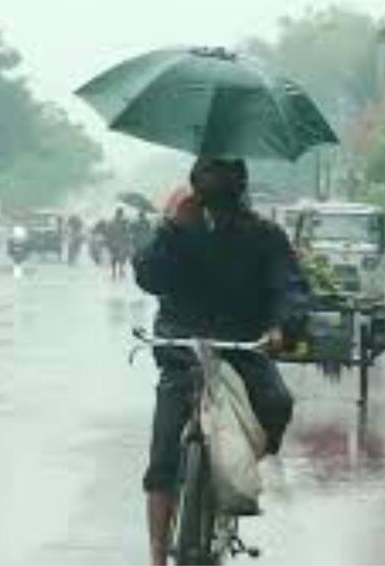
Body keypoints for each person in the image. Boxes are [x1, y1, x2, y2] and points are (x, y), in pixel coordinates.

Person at [133, 157, 294, 565]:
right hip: (181, 347)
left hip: (243, 350)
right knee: (163, 456)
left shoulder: (266, 235)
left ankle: (234, 472)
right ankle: (155, 554)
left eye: (223, 175)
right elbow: (148, 276)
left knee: (277, 403)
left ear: (240, 183)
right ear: (193, 184)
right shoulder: (178, 231)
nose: (214, 184)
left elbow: (289, 288)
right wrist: (171, 228)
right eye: (206, 175)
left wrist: (281, 327)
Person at [107, 207, 131, 280]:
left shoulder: (112, 222)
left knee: (116, 258)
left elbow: (108, 232)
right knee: (119, 258)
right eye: (121, 213)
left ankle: (115, 272)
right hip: (119, 242)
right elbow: (126, 233)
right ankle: (118, 272)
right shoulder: (122, 222)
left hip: (115, 242)